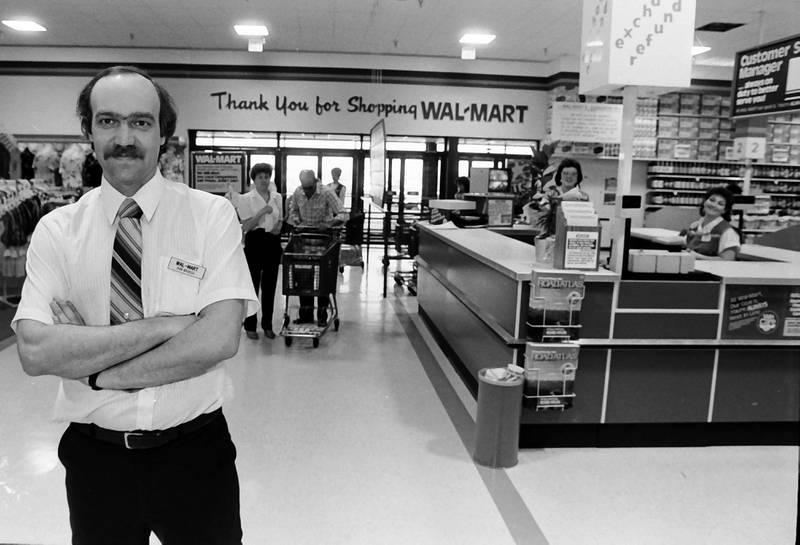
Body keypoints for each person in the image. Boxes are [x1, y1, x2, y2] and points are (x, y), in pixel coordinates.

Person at [12, 65, 257, 544]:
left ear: (163, 132)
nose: (124, 137)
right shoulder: (57, 230)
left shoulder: (211, 217)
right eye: (108, 121)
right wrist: (169, 327)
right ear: (89, 131)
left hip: (195, 455)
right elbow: (36, 353)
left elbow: (219, 338)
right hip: (94, 462)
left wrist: (92, 366)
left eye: (141, 122)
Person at [228, 163, 283, 340]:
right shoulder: (246, 199)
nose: (264, 180)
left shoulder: (277, 197)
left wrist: (278, 228)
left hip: (272, 242)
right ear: (254, 180)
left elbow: (279, 219)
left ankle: (267, 324)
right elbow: (246, 226)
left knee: (270, 285)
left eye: (266, 177)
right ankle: (250, 325)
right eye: (260, 177)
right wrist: (261, 213)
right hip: (255, 242)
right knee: (252, 285)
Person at [287, 169, 344, 326]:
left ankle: (322, 315)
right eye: (305, 188)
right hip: (304, 241)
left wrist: (328, 224)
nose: (307, 191)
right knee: (304, 278)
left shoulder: (327, 192)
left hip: (323, 242)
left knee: (322, 279)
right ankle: (305, 315)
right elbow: (293, 210)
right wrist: (297, 222)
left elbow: (343, 213)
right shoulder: (298, 192)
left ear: (315, 182)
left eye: (310, 188)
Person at [682, 186, 740, 260]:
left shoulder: (728, 232)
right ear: (705, 202)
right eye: (712, 200)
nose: (713, 205)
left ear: (724, 210)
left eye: (720, 204)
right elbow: (687, 245)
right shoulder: (695, 226)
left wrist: (698, 257)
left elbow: (727, 260)